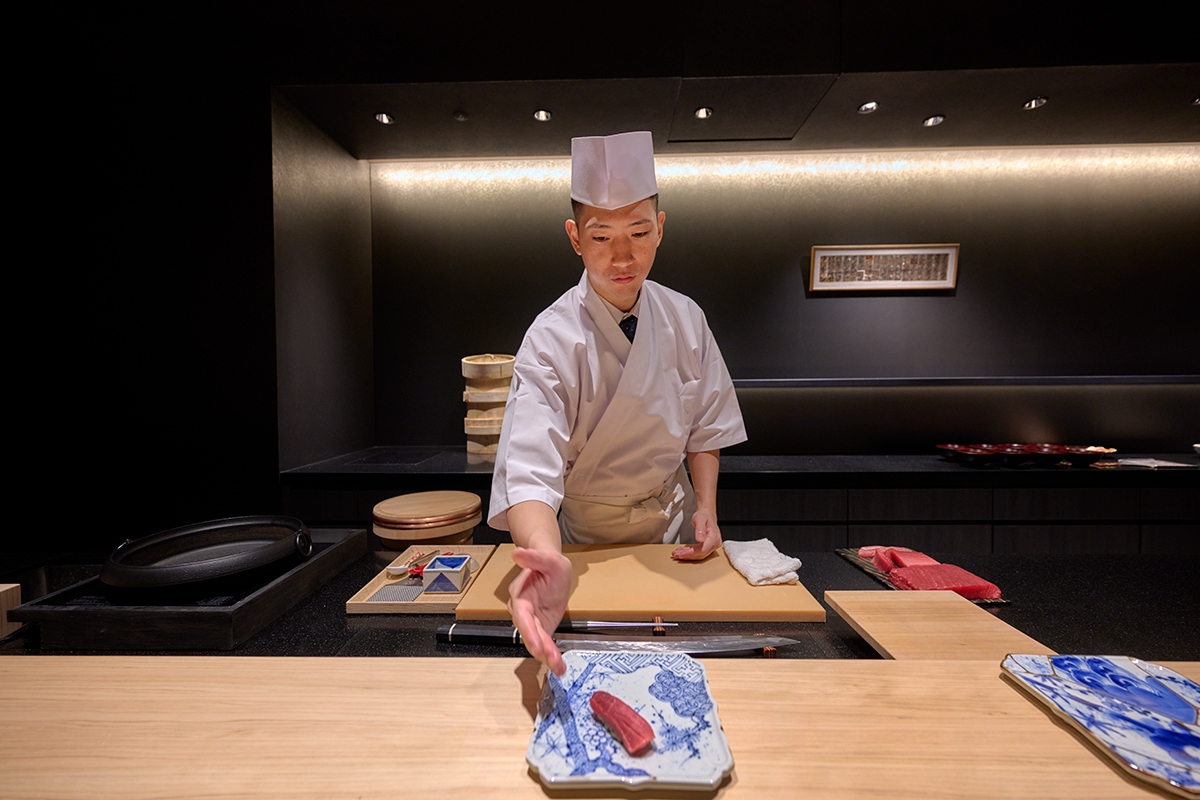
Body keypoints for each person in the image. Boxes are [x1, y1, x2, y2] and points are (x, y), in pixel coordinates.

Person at [487, 131, 747, 675]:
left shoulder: (686, 318)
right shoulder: (550, 338)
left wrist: (706, 508)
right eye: (602, 236)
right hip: (583, 547)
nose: (623, 255)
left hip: (670, 545)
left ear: (661, 229)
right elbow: (529, 472)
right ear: (575, 239)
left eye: (639, 231)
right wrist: (546, 558)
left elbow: (705, 429)